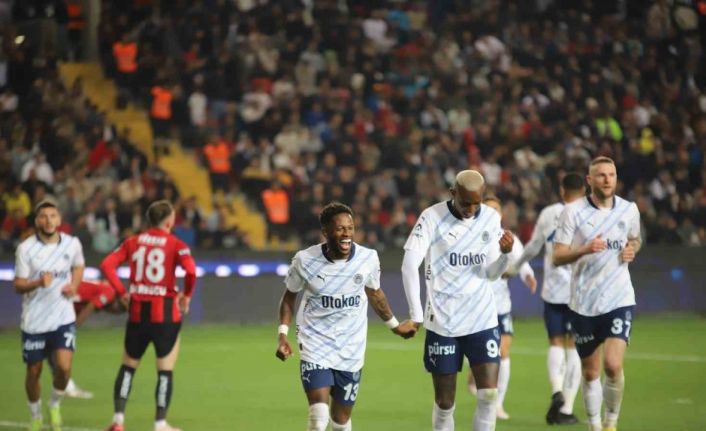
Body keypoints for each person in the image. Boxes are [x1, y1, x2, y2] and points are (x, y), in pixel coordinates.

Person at [276, 201, 417, 431]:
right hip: (315, 343)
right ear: (325, 232)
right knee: (318, 417)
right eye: (340, 228)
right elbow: (289, 297)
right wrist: (282, 335)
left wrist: (395, 326)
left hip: (351, 348)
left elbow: (375, 294)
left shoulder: (368, 258)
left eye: (350, 228)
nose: (346, 234)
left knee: (340, 421)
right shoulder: (305, 260)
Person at [401, 170, 514, 431]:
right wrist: (416, 315)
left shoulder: (490, 218)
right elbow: (409, 266)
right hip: (443, 322)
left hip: (482, 319)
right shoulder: (432, 217)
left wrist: (505, 255)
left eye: (477, 203)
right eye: (466, 203)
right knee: (444, 403)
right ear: (453, 193)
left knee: (488, 395)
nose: (471, 210)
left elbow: (491, 274)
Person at [553, 157, 642, 431]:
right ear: (590, 180)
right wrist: (584, 249)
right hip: (583, 303)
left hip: (619, 299)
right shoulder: (572, 212)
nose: (607, 179)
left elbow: (635, 238)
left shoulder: (629, 209)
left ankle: (610, 423)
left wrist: (632, 249)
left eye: (611, 174)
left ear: (616, 178)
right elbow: (557, 256)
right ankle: (594, 425)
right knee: (591, 372)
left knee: (613, 365)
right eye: (601, 175)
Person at [100, 200, 197, 431]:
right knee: (164, 369)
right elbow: (191, 271)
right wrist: (186, 295)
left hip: (137, 313)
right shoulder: (176, 244)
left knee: (128, 366)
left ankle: (118, 420)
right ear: (169, 221)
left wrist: (122, 292)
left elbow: (107, 265)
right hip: (166, 314)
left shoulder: (133, 241)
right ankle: (160, 423)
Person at [510, 172, 586, 425]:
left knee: (555, 342)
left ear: (562, 191)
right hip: (580, 292)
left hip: (553, 291)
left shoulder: (549, 213)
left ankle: (556, 390)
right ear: (584, 192)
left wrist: (515, 267)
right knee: (575, 346)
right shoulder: (590, 214)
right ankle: (566, 408)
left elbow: (533, 246)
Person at [14, 200, 85, 431]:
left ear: (59, 219)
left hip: (63, 317)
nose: (48, 220)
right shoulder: (26, 249)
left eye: (53, 216)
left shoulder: (72, 244)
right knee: (34, 371)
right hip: (34, 321)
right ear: (37, 221)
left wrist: (74, 285)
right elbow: (18, 285)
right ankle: (35, 415)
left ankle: (54, 405)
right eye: (43, 216)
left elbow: (79, 266)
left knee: (64, 368)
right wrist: (38, 283)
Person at [475, 196, 536, 420]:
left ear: (500, 214)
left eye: (496, 209)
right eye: (488, 209)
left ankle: (498, 404)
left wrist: (528, 275)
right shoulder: (473, 236)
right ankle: (475, 376)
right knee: (482, 355)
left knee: (503, 352)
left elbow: (520, 261)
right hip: (478, 307)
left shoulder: (508, 238)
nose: (493, 213)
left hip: (502, 306)